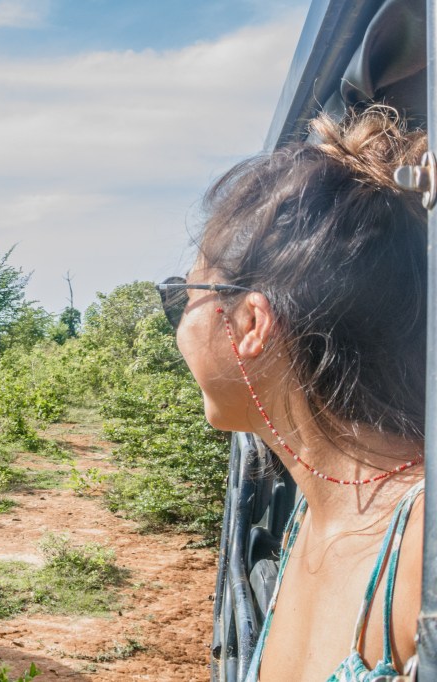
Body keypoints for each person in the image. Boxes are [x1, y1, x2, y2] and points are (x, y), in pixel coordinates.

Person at [157, 106, 427, 681]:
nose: (180, 323)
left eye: (187, 294)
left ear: (251, 322)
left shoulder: (423, 544)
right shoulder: (310, 508)